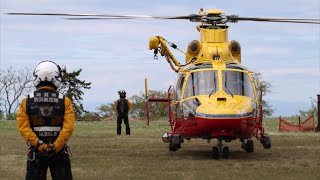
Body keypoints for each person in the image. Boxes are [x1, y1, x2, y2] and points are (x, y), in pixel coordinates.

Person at [16, 60, 75, 180]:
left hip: (36, 152)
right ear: (55, 78)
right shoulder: (65, 101)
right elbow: (68, 128)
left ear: (37, 77)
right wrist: (57, 145)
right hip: (59, 153)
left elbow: (23, 128)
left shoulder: (26, 101)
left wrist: (39, 145)